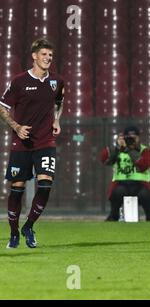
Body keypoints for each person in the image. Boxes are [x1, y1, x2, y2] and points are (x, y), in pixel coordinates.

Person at [0, 38, 64, 249]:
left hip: (45, 141)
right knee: (17, 188)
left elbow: (59, 102)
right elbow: (2, 107)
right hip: (22, 143)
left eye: (51, 55)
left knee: (45, 184)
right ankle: (14, 232)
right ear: (34, 56)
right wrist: (16, 127)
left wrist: (56, 120)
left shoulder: (57, 81)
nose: (48, 58)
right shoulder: (18, 81)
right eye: (44, 54)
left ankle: (29, 226)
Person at [100, 125, 150, 222]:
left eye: (134, 138)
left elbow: (144, 165)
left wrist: (130, 150)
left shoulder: (144, 150)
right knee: (117, 193)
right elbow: (105, 160)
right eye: (129, 138)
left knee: (145, 195)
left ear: (139, 138)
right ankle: (113, 216)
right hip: (121, 183)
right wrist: (117, 148)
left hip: (141, 184)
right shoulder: (117, 150)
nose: (131, 140)